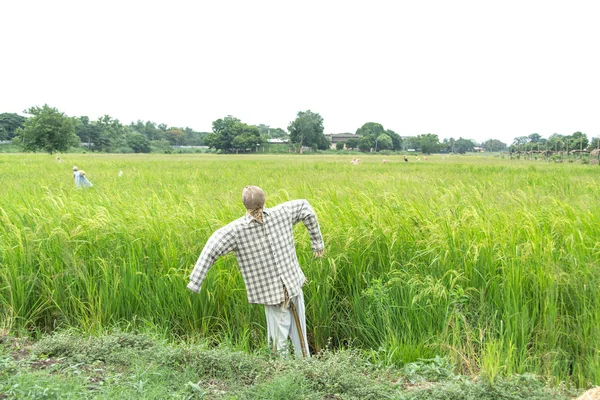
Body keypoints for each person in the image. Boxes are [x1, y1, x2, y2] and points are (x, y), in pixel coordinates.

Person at [187, 186, 324, 357]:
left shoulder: (236, 230)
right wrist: (317, 243)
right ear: (264, 200)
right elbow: (305, 207)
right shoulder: (282, 213)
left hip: (279, 290)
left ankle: (285, 370)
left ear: (246, 206)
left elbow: (212, 246)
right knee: (298, 337)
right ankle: (299, 368)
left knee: (278, 341)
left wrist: (195, 281)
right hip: (287, 286)